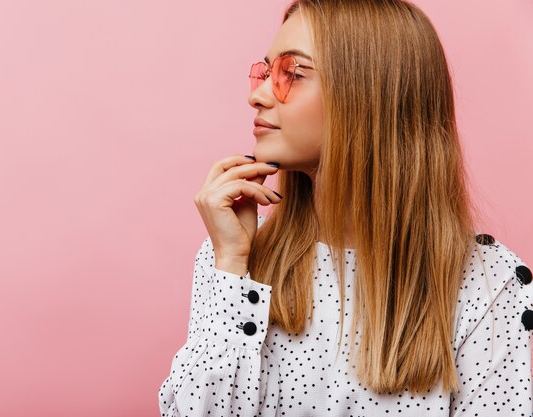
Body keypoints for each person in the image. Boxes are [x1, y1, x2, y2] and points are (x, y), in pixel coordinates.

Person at [158, 0, 533, 415]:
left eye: (292, 74)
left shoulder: (490, 286)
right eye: (265, 73)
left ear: (368, 95)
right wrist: (229, 266)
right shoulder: (233, 263)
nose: (259, 96)